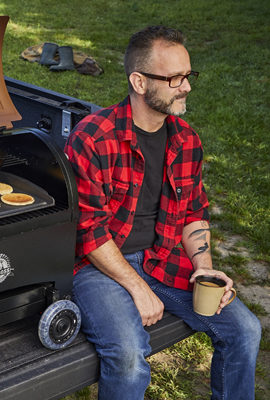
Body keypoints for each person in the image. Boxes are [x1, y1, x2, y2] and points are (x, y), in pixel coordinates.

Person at [65, 25, 261, 400]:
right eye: (174, 78)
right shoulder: (94, 138)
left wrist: (202, 265)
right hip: (98, 266)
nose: (186, 86)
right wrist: (137, 287)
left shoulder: (186, 138)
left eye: (188, 75)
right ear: (139, 82)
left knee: (246, 330)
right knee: (127, 355)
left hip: (164, 257)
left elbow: (194, 211)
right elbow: (89, 231)